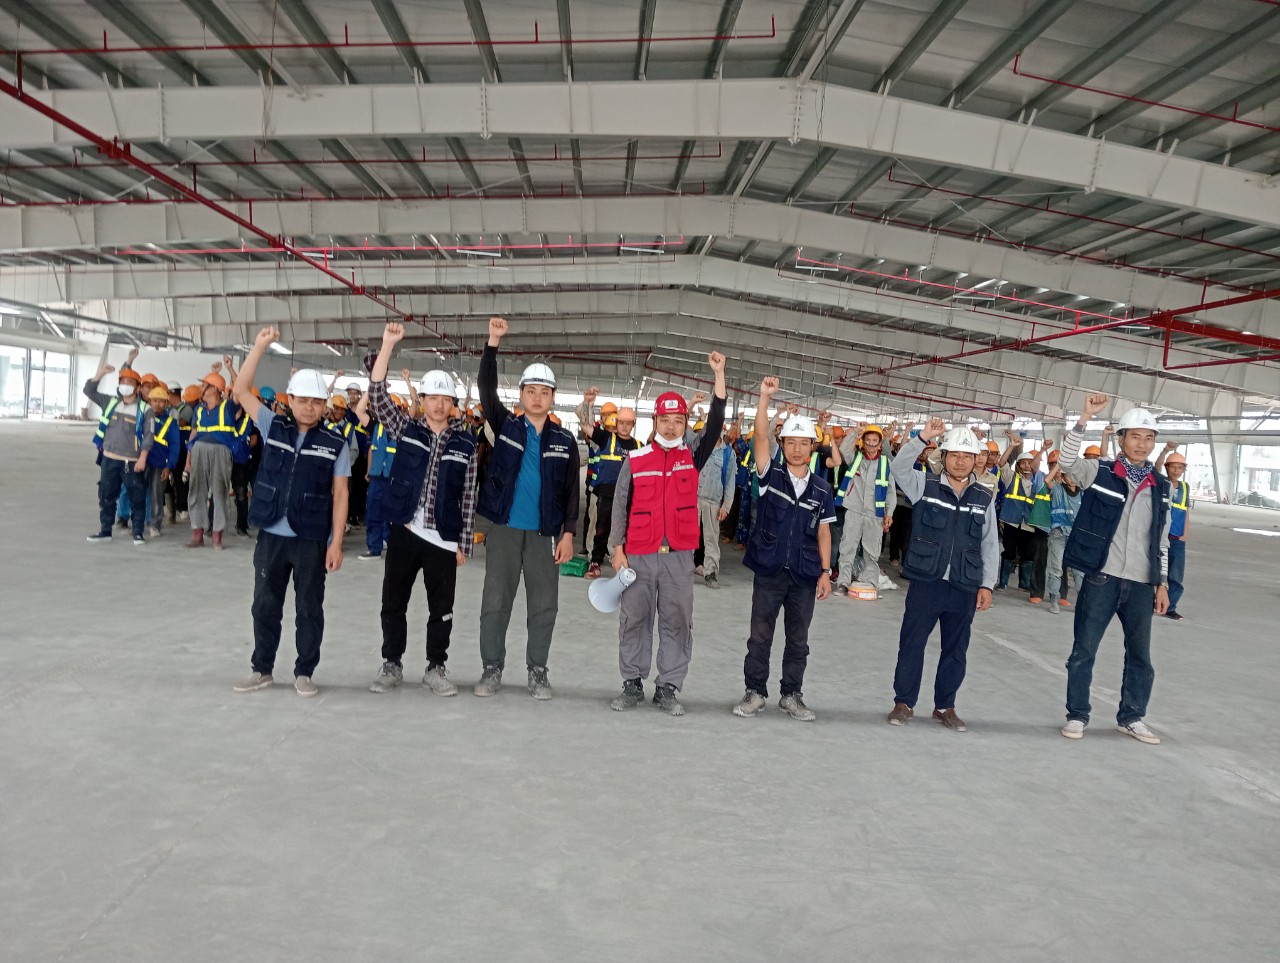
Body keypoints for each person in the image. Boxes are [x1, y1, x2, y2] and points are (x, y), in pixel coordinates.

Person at [230, 328, 348, 698]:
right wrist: (259, 347)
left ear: (324, 406)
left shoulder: (335, 442)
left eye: (316, 402)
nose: (309, 407)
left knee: (309, 608)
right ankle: (262, 668)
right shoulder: (272, 426)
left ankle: (304, 672)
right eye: (303, 400)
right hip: (272, 535)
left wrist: (336, 543)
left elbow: (341, 493)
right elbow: (240, 391)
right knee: (264, 604)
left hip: (310, 538)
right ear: (290, 400)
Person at [607, 352, 728, 715]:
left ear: (686, 424)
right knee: (635, 619)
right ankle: (631, 683)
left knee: (677, 621)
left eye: (679, 421)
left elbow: (717, 421)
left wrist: (719, 376)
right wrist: (617, 548)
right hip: (639, 555)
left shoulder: (692, 456)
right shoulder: (636, 460)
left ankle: (668, 687)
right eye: (666, 420)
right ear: (655, 421)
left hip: (678, 558)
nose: (672, 427)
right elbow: (620, 505)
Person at [362, 324, 480, 695]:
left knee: (441, 608)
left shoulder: (466, 443)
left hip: (443, 537)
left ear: (453, 404)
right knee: (393, 601)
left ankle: (436, 667)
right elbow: (378, 397)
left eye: (446, 399)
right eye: (432, 398)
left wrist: (463, 543)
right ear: (423, 399)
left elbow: (469, 495)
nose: (439, 405)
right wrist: (387, 345)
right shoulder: (406, 429)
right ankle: (392, 663)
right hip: (406, 530)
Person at [474, 317, 580, 700]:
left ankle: (538, 670)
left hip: (544, 534)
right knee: (495, 602)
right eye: (531, 391)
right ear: (520, 395)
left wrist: (568, 533)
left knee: (544, 606)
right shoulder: (505, 426)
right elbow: (485, 388)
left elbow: (572, 492)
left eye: (544, 392)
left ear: (553, 398)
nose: (537, 398)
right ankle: (492, 668)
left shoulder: (564, 440)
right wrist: (493, 342)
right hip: (504, 530)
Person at [1058, 394, 1170, 744]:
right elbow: (1067, 461)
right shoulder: (1101, 472)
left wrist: (1162, 583)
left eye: (1148, 437)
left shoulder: (1161, 486)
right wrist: (1083, 419)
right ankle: (1077, 715)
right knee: (1084, 651)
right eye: (1135, 436)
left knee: (1140, 657)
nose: (1142, 444)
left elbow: (1161, 541)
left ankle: (1132, 717)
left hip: (1141, 584)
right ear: (1122, 439)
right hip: (1102, 577)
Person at [732, 377, 834, 721]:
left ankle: (791, 695)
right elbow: (760, 437)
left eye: (804, 443)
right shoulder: (770, 476)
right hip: (770, 569)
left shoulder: (821, 490)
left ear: (812, 447)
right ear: (783, 443)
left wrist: (825, 572)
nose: (797, 449)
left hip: (804, 573)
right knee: (760, 635)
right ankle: (755, 692)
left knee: (798, 640)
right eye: (791, 442)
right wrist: (764, 397)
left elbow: (824, 532)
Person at [886, 419, 998, 732]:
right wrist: (922, 437)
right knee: (912, 644)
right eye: (954, 455)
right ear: (944, 456)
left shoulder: (984, 497)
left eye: (967, 456)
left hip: (964, 585)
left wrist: (987, 584)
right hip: (927, 582)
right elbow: (898, 468)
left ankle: (945, 706)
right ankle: (904, 702)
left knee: (955, 650)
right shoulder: (924, 484)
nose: (960, 461)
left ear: (976, 460)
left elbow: (990, 544)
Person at [84, 357, 154, 545]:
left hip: (131, 461)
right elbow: (89, 391)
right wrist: (101, 373)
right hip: (109, 458)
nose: (125, 386)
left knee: (137, 497)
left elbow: (149, 436)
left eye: (129, 383)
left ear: (137, 388)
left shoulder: (145, 409)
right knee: (106, 496)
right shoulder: (110, 402)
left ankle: (138, 533)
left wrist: (142, 459)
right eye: (122, 382)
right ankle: (105, 530)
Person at [576, 391, 640, 579]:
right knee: (602, 528)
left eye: (628, 423)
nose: (625, 426)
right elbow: (585, 426)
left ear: (633, 425)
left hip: (628, 495)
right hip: (607, 492)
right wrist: (588, 404)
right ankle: (595, 562)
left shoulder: (638, 445)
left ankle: (624, 562)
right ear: (617, 422)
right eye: (622, 422)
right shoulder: (606, 438)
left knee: (627, 530)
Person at [834, 424, 896, 596]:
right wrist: (855, 432)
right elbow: (843, 449)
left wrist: (889, 513)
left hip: (875, 514)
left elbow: (891, 491)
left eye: (874, 441)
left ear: (879, 443)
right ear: (863, 442)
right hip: (854, 509)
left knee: (872, 551)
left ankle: (871, 583)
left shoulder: (885, 463)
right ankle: (843, 582)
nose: (871, 444)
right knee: (847, 547)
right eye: (867, 440)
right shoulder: (855, 458)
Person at [185, 363, 239, 549]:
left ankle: (217, 536)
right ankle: (197, 534)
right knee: (196, 491)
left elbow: (240, 388)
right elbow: (193, 433)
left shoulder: (228, 407)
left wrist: (229, 369)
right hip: (199, 450)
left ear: (215, 389)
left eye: (204, 385)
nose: (201, 388)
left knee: (220, 491)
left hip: (221, 451)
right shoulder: (199, 410)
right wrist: (188, 459)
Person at [693, 426, 735, 589]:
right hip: (693, 500)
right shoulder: (699, 447)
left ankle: (710, 573)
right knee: (688, 536)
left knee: (711, 540)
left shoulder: (728, 453)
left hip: (713, 503)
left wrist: (726, 506)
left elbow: (730, 482)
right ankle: (683, 569)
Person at [1155, 445, 1189, 622]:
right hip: (1160, 535)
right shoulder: (1162, 483)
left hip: (1177, 538)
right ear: (1167, 468)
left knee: (1175, 575)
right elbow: (1156, 467)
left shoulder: (1185, 487)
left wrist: (1184, 534)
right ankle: (1153, 603)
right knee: (1155, 571)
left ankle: (1170, 607)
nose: (1176, 470)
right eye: (1173, 466)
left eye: (1180, 467)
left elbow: (1186, 511)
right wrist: (1165, 451)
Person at [1044, 460, 1082, 615]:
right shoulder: (1058, 490)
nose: (1071, 479)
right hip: (1058, 534)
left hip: (1076, 536)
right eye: (1068, 475)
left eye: (1074, 475)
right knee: (1056, 569)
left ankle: (1082, 603)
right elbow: (1047, 480)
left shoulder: (1083, 493)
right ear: (1063, 477)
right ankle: (1054, 600)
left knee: (1079, 571)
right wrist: (1059, 465)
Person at [143, 385, 180, 538]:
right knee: (138, 492)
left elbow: (175, 446)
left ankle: (155, 524)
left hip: (159, 465)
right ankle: (139, 521)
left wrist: (169, 466)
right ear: (149, 402)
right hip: (142, 462)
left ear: (167, 403)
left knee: (156, 496)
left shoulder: (171, 423)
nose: (158, 404)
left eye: (161, 401)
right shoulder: (143, 417)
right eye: (155, 401)